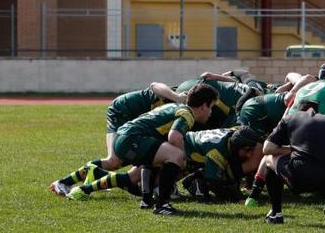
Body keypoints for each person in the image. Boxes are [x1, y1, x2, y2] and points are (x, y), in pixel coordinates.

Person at [65, 84, 218, 216]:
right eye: (211, 107)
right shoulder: (187, 114)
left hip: (126, 137)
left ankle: (86, 190)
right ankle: (162, 205)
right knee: (176, 154)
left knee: (143, 169)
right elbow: (174, 137)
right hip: (131, 139)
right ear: (203, 105)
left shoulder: (175, 107)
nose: (211, 112)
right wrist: (182, 157)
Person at [48, 81, 184, 197]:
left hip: (138, 125)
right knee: (114, 161)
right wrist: (177, 97)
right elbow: (154, 85)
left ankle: (98, 175)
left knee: (142, 158)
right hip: (122, 111)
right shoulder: (181, 95)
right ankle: (63, 182)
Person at [180, 127, 265, 201]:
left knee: (229, 169)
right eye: (246, 150)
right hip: (184, 150)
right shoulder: (217, 151)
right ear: (236, 147)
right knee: (220, 175)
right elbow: (213, 183)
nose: (249, 155)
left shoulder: (234, 133)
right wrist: (234, 199)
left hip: (192, 142)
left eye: (251, 150)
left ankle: (198, 178)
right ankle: (196, 181)